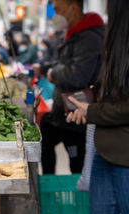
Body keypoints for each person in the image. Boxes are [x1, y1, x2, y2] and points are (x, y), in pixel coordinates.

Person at [66, 1, 129, 214]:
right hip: (105, 152)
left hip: (125, 159)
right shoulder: (114, 40)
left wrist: (92, 111)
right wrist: (89, 103)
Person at [36, 0, 104, 174]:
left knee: (77, 165)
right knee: (44, 135)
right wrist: (45, 69)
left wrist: (53, 73)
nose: (55, 15)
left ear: (73, 8)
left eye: (58, 10)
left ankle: (76, 197)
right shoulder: (73, 34)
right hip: (63, 111)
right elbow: (64, 63)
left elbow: (78, 74)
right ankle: (49, 187)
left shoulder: (89, 37)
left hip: (77, 115)